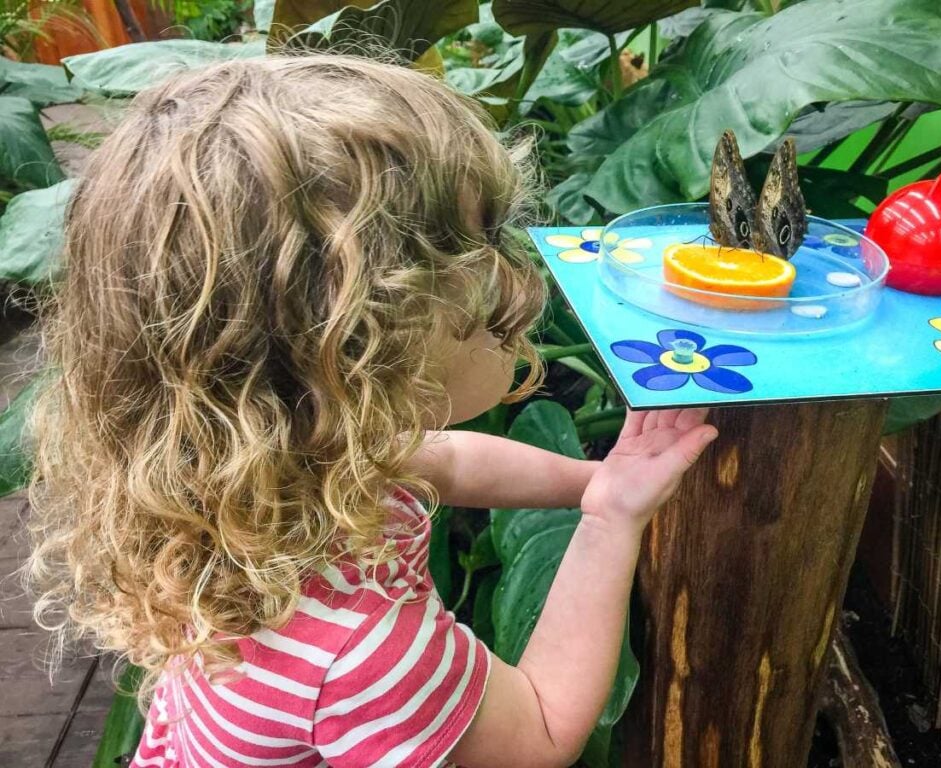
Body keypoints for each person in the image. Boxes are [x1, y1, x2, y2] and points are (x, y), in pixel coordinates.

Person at [27, 55, 717, 768]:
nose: (511, 277)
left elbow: (444, 460)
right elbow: (539, 731)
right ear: (353, 339)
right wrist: (610, 522)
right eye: (476, 249)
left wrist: (590, 484)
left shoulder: (272, 476)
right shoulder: (360, 651)